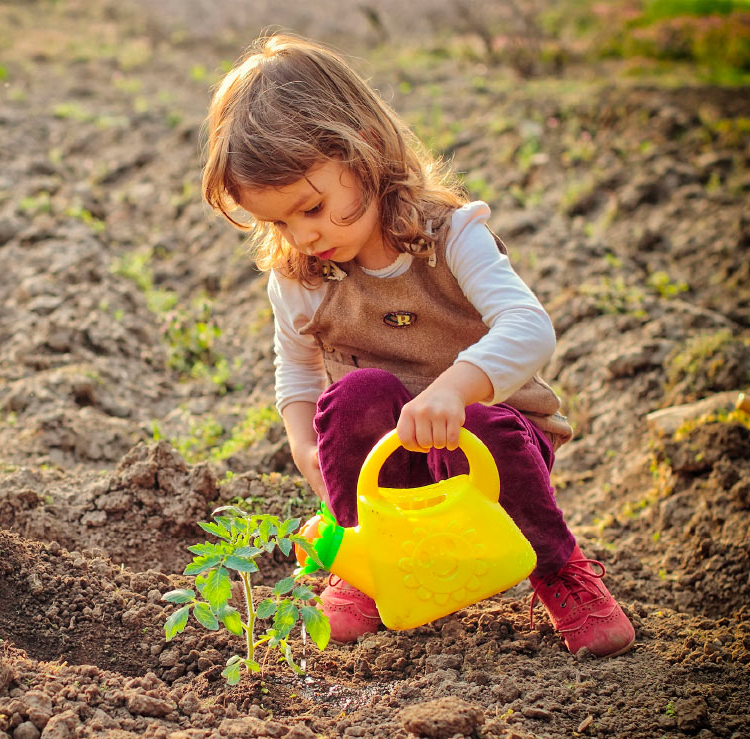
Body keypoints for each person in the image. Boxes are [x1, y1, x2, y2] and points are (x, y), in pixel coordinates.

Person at [201, 32, 635, 658]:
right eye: (279, 222)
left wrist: (455, 390)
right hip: (386, 467)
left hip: (490, 453)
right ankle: (365, 569)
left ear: (365, 152)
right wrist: (305, 451)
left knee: (490, 425)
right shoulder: (299, 275)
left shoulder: (452, 236)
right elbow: (295, 371)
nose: (303, 234)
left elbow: (529, 326)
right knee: (356, 394)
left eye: (314, 207)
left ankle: (559, 570)